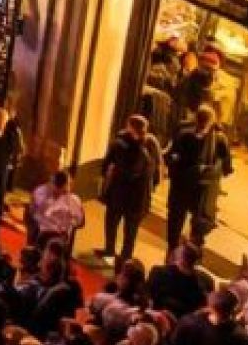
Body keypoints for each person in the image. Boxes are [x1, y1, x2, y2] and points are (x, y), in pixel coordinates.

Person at [165, 105, 234, 255]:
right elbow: (227, 167)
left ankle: (172, 257)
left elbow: (170, 157)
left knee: (175, 227)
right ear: (212, 121)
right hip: (202, 191)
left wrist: (175, 164)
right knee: (197, 231)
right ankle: (188, 258)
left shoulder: (184, 134)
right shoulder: (219, 139)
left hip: (181, 187)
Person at [99, 113, 158, 263]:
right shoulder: (149, 143)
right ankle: (119, 254)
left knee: (121, 224)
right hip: (135, 193)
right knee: (124, 226)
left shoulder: (123, 142)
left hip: (125, 191)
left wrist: (106, 178)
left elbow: (108, 163)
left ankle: (117, 253)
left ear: (130, 127)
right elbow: (155, 167)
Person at [26, 166, 87, 259]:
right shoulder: (40, 192)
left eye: (62, 188)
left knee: (55, 247)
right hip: (41, 232)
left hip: (60, 235)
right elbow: (30, 212)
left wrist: (70, 223)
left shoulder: (73, 200)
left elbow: (81, 222)